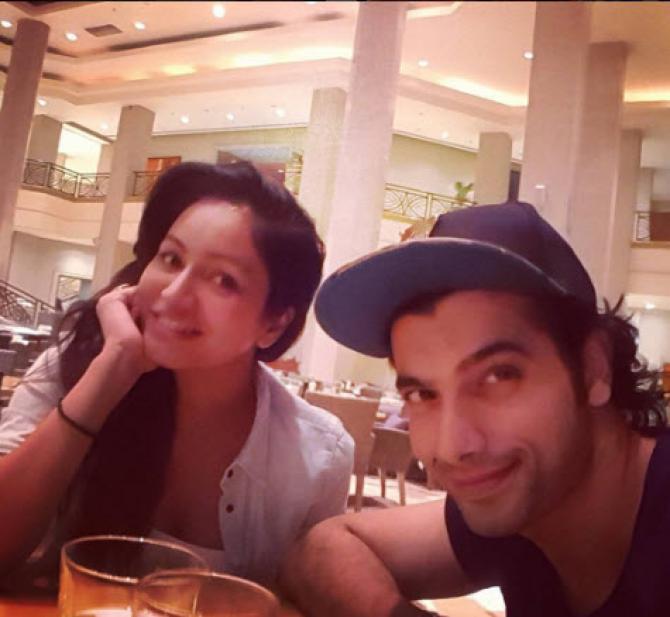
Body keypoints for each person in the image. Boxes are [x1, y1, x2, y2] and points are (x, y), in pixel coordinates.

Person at [280, 201, 668, 616]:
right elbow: (319, 551)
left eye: (498, 376)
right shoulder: (529, 503)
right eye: (422, 394)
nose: (452, 447)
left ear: (594, 368)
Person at [0, 161, 354, 590]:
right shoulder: (73, 368)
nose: (172, 294)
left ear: (274, 323)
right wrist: (108, 377)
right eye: (171, 258)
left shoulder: (317, 455)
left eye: (223, 280)